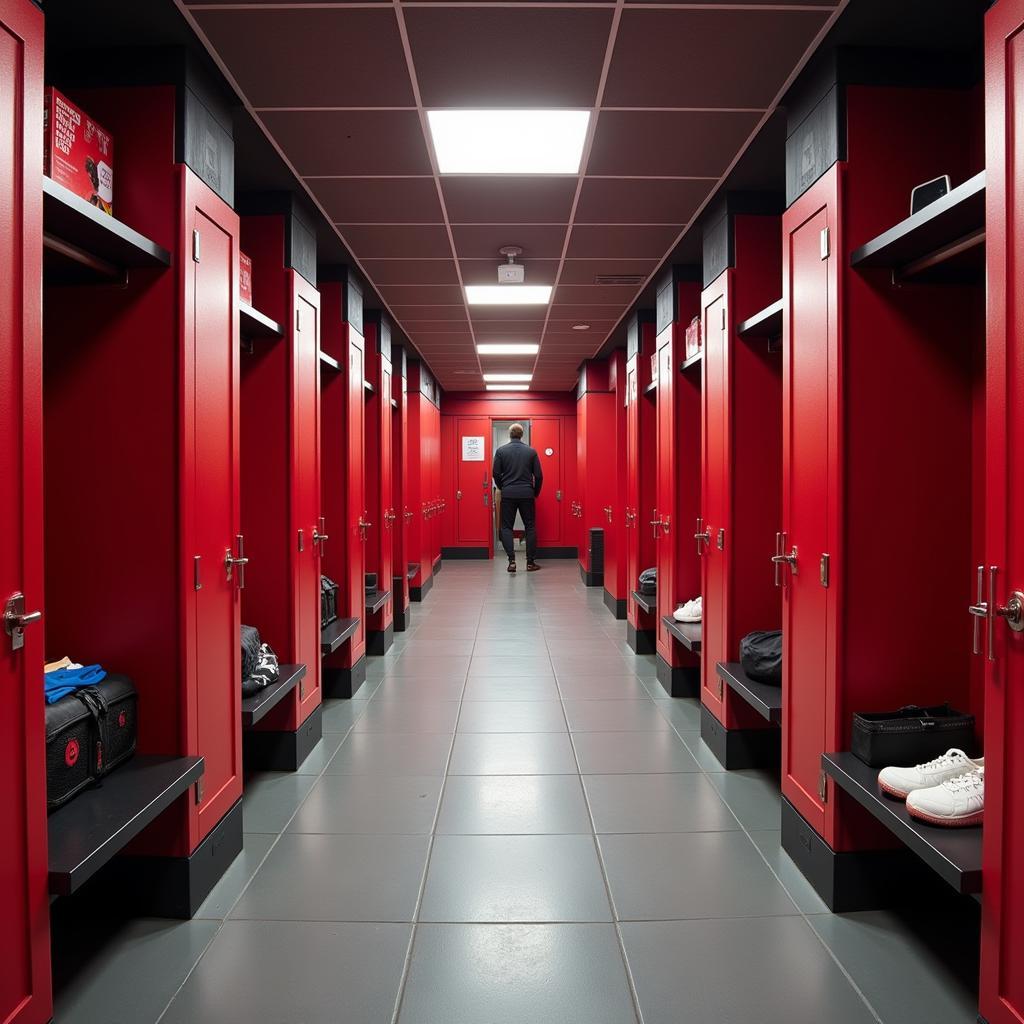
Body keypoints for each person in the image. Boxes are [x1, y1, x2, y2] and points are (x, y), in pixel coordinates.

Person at [492, 423, 543, 573]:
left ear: (510, 434)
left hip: (508, 494)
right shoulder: (531, 452)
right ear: (521, 435)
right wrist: (535, 492)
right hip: (527, 493)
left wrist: (502, 487)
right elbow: (539, 475)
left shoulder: (501, 451)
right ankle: (530, 563)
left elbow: (495, 473)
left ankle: (512, 561)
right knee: (530, 526)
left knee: (507, 527)